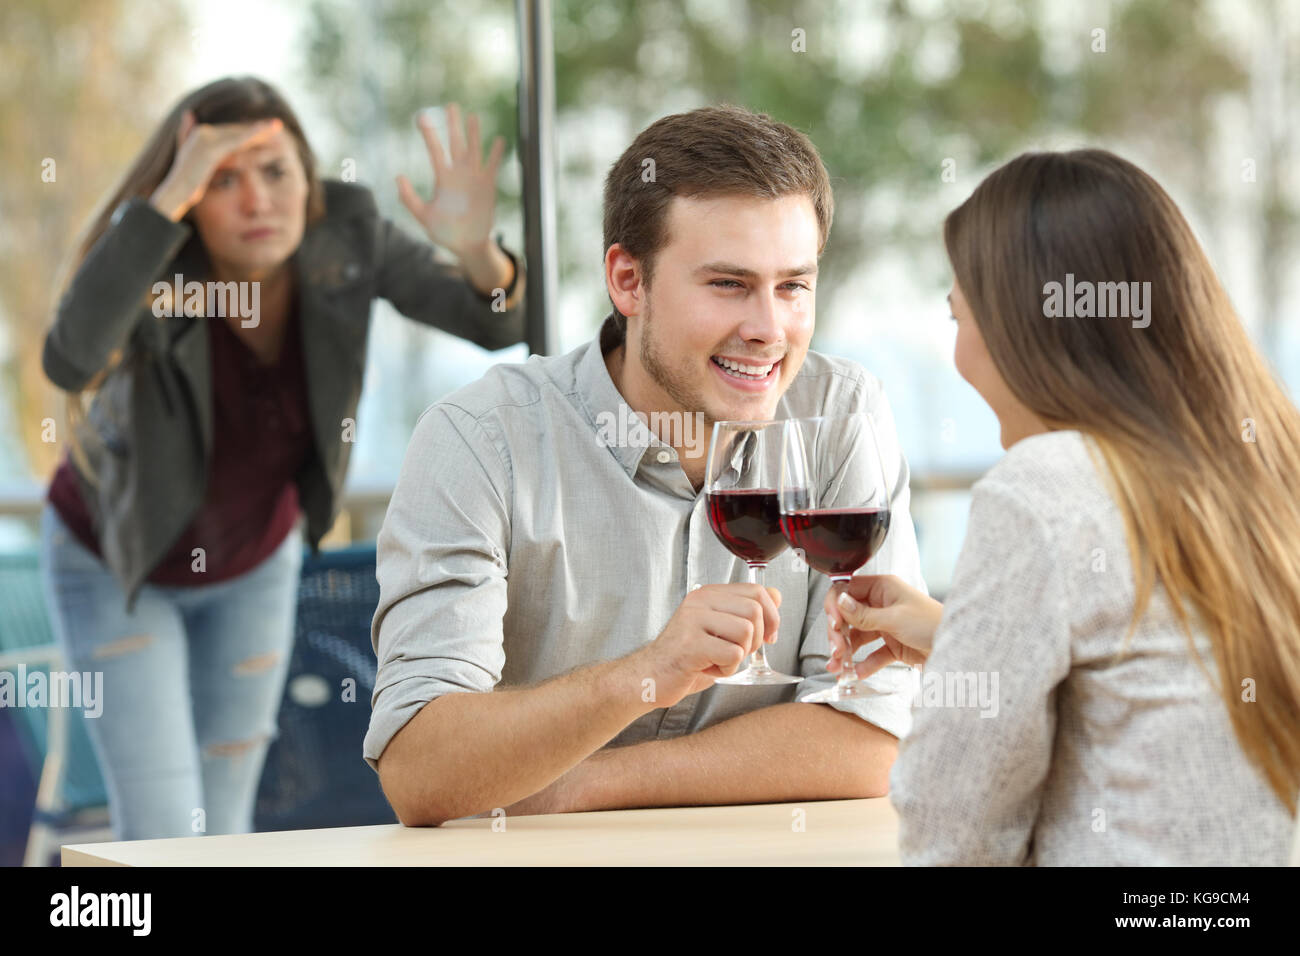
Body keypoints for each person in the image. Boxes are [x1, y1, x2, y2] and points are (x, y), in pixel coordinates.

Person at [366, 103, 928, 826]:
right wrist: (643, 677)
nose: (767, 331)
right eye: (728, 284)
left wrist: (582, 783)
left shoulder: (840, 413)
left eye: (792, 286)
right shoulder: (482, 440)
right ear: (628, 281)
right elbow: (420, 771)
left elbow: (869, 740)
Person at [39, 75, 525, 841]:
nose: (257, 200)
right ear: (189, 197)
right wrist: (163, 203)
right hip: (116, 563)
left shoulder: (349, 236)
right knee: (163, 825)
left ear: (308, 179)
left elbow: (500, 325)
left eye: (275, 172)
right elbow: (70, 359)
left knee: (228, 819)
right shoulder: (160, 264)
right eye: (220, 180)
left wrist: (477, 255)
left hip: (252, 562)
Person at [825, 149, 1300, 865]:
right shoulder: (1269, 464)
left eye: (958, 318)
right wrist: (959, 641)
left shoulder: (1048, 484)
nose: (957, 350)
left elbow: (951, 830)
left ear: (1024, 329)